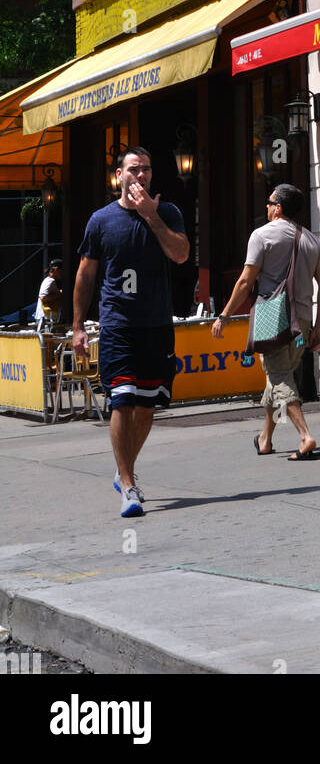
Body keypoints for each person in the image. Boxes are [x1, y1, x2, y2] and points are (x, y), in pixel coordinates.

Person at [72, 148, 189, 518]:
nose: (140, 175)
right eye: (133, 169)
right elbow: (85, 274)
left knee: (146, 405)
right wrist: (77, 326)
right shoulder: (101, 220)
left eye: (146, 170)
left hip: (156, 324)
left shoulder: (167, 212)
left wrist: (151, 216)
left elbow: (181, 254)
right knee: (122, 400)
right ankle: (128, 484)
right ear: (119, 175)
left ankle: (123, 469)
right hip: (118, 325)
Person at [212, 183, 320, 459]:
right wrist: (319, 326)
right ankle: (265, 438)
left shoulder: (261, 235)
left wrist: (224, 315)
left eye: (269, 202)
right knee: (278, 377)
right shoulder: (312, 240)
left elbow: (245, 281)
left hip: (272, 316)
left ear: (278, 208)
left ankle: (305, 436)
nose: (266, 207)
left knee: (279, 377)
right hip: (302, 320)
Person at [36, 259, 63, 332]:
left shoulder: (48, 280)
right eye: (61, 271)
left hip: (46, 318)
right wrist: (60, 295)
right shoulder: (50, 281)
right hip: (45, 319)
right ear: (56, 269)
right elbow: (43, 297)